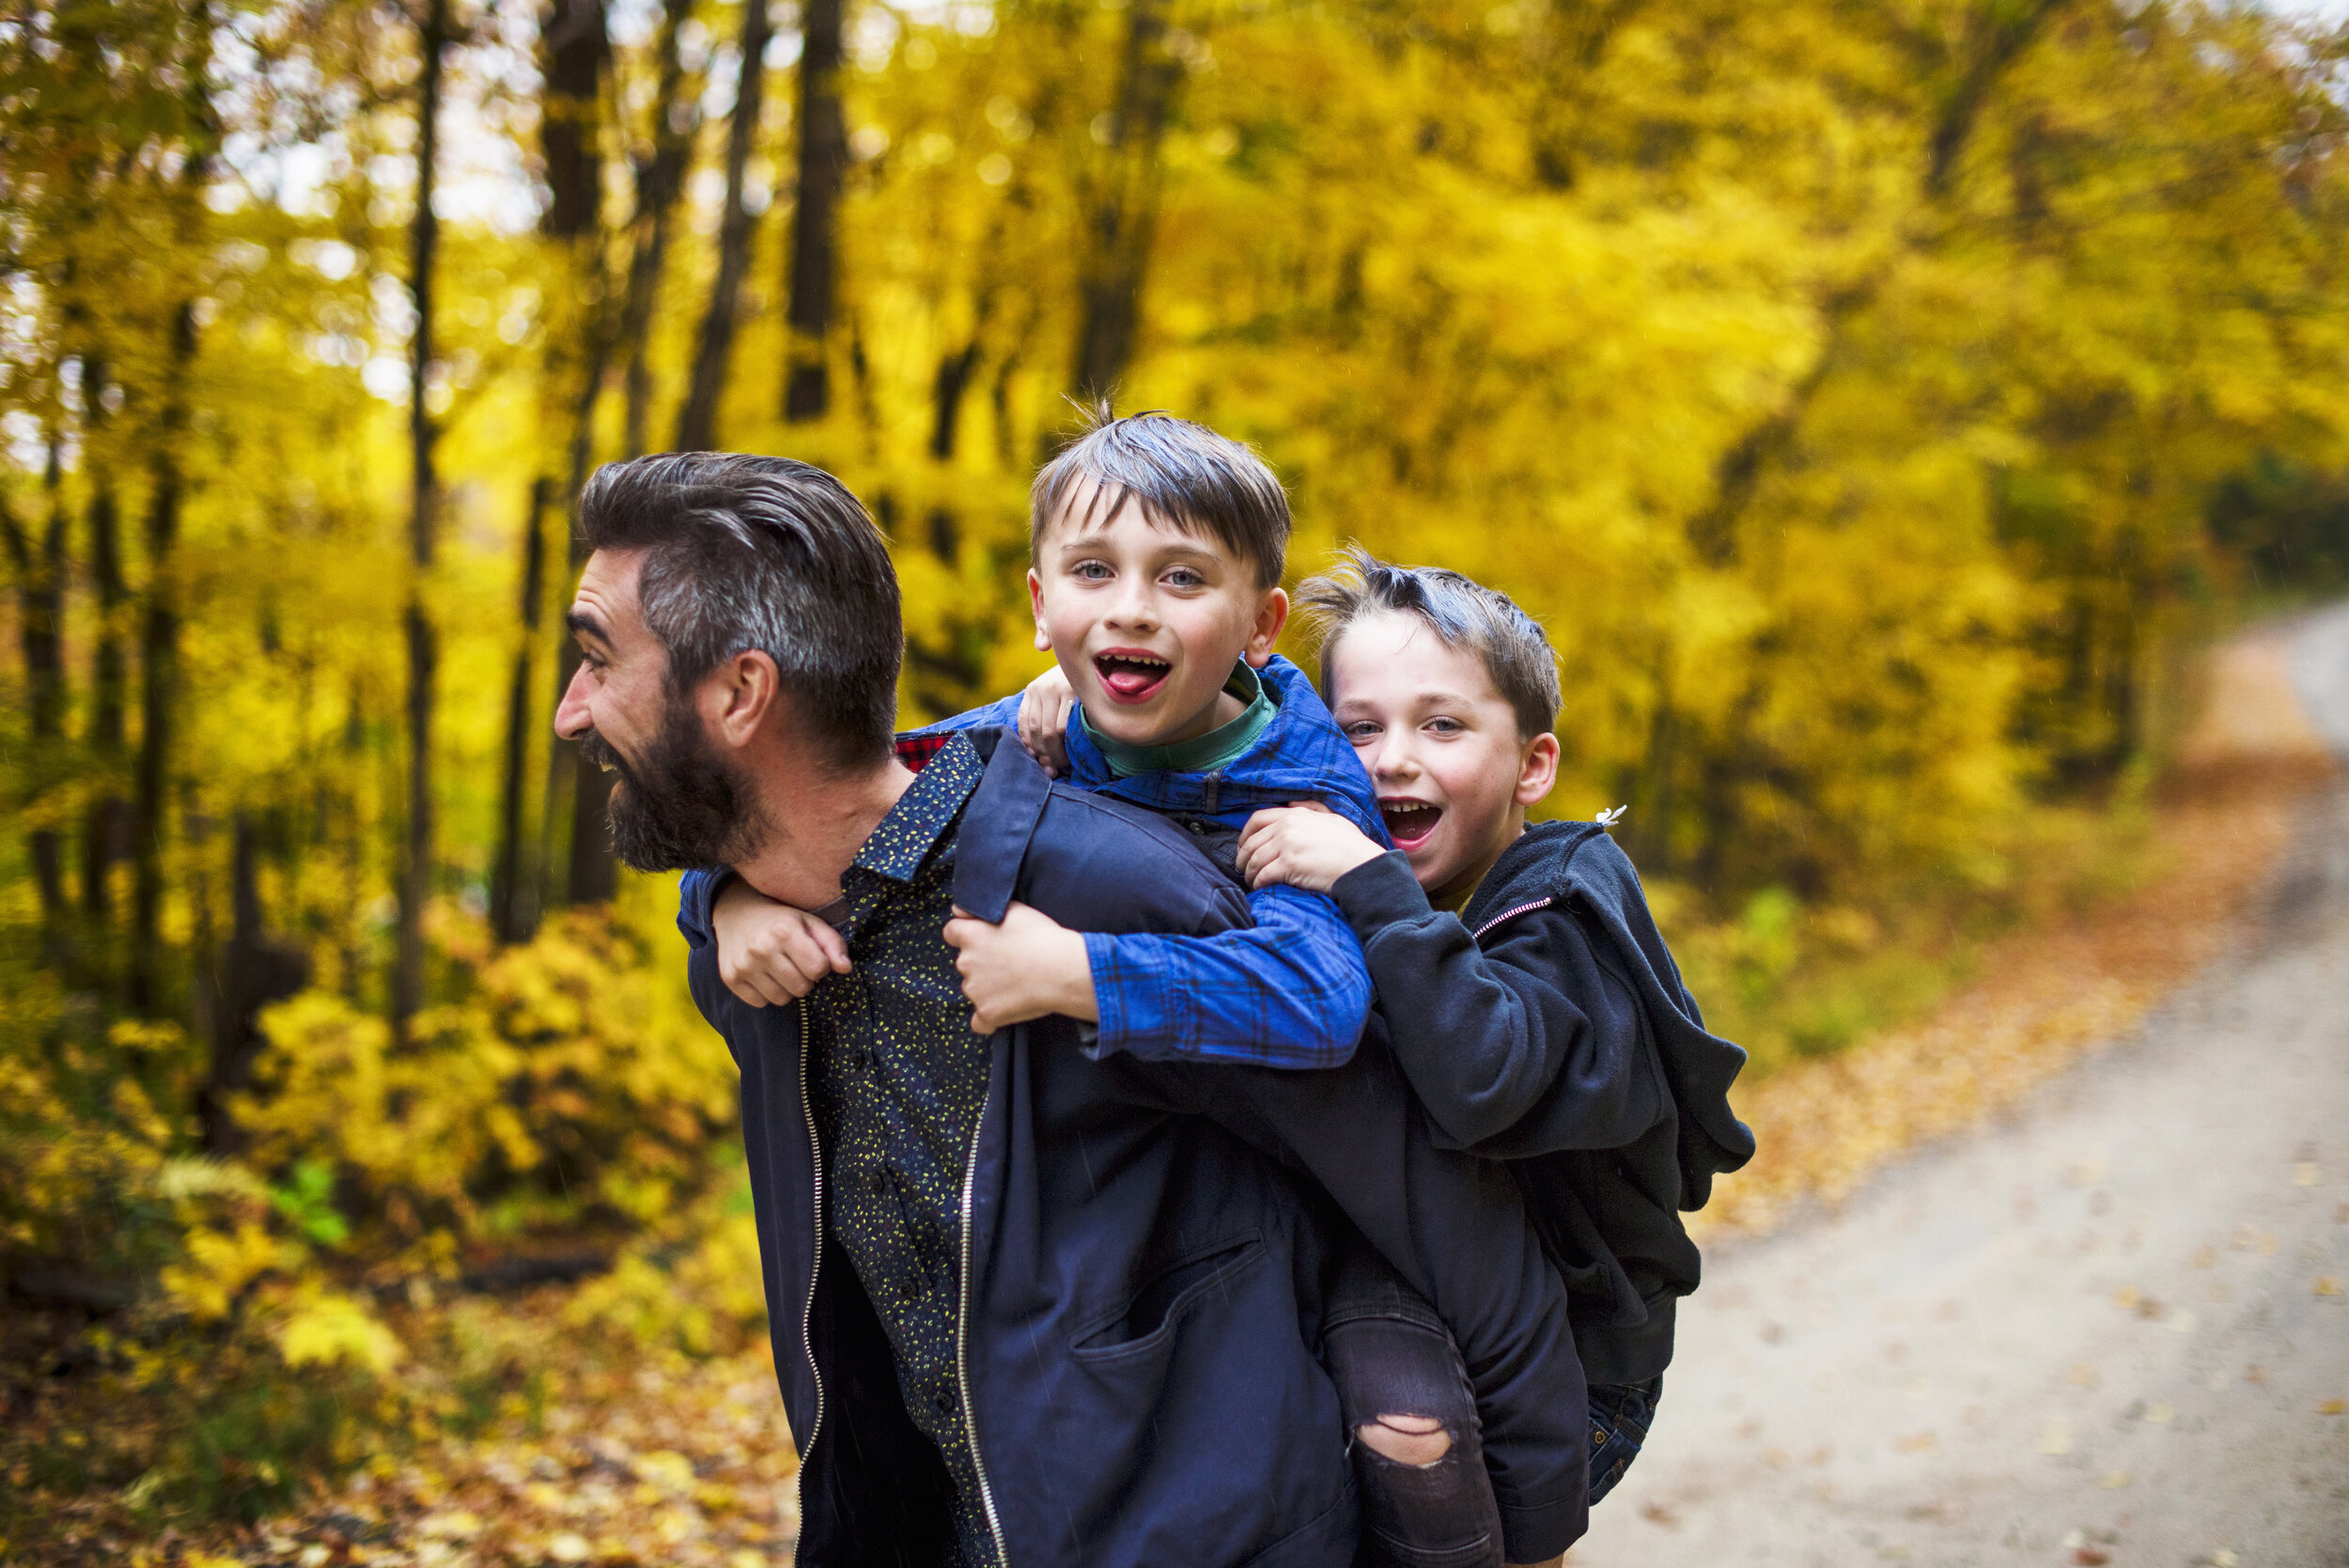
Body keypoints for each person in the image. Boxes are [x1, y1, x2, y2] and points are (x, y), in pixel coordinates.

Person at [554, 452, 1587, 1568]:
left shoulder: (1199, 863)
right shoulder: (781, 944)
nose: (570, 710)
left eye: (598, 660)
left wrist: (1535, 1524)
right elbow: (883, 773)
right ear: (1042, 601)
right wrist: (724, 896)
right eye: (1094, 569)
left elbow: (1421, 1175)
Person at [1233, 548, 1757, 1505]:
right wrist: (1070, 693)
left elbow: (1484, 1077)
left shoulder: (1562, 914)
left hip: (1580, 1369)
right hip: (1449, 1313)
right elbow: (1212, 709)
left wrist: (1369, 883)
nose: (1392, 757)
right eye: (1358, 727)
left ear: (1531, 765)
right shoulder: (1410, 901)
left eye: (1441, 724)